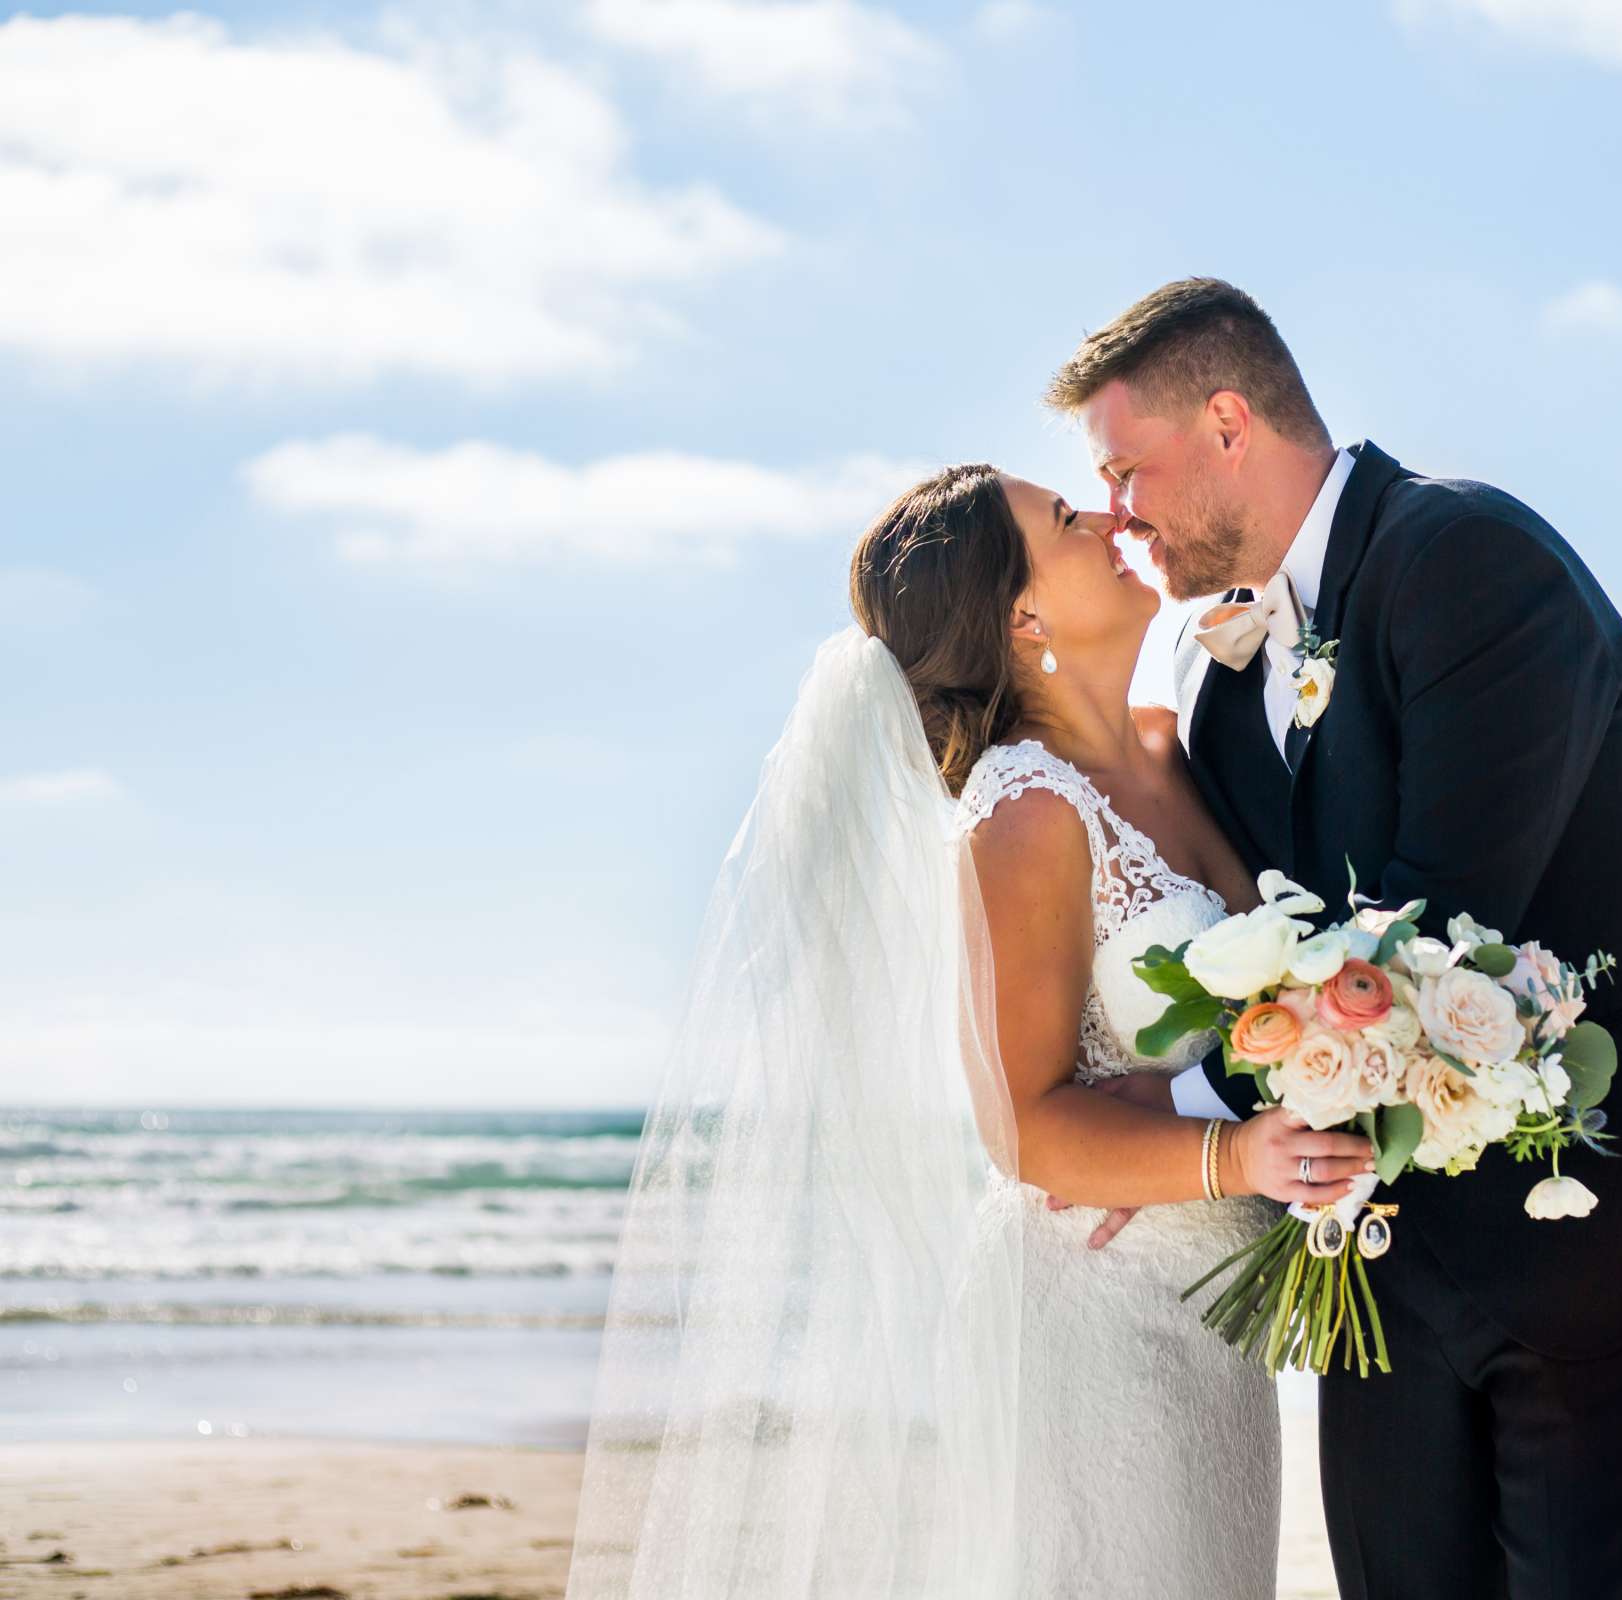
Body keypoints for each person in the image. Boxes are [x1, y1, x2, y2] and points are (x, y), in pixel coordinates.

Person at [1045, 278, 1622, 1600]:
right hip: (1390, 1257)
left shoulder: (1470, 559)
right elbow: (1256, 927)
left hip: (1612, 1217)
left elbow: (1436, 933)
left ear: (1230, 423)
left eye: (1128, 471)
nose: (1117, 514)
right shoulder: (1217, 669)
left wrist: (1179, 1119)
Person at [568, 461, 1368, 1600]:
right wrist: (1235, 1153)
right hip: (1098, 1325)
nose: (1108, 519)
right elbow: (1023, 1127)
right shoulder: (1027, 812)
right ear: (1023, 616)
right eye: (1065, 520)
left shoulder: (1174, 733)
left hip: (1216, 1328)